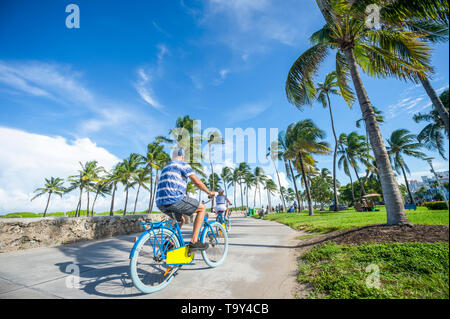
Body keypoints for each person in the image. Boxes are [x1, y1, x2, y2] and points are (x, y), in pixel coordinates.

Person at [156, 148, 215, 252]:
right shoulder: (182, 164)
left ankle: (169, 242)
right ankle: (194, 242)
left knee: (181, 220)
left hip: (160, 202)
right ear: (182, 156)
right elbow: (197, 182)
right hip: (174, 198)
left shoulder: (166, 167)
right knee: (202, 208)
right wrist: (209, 192)